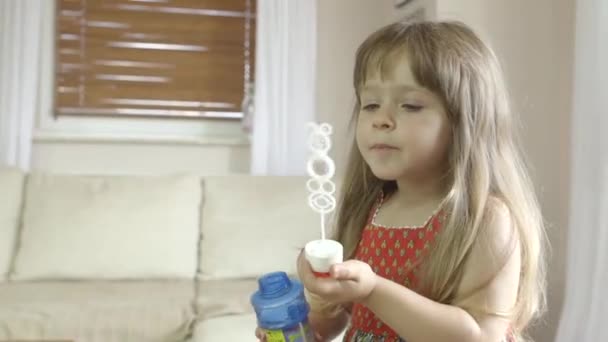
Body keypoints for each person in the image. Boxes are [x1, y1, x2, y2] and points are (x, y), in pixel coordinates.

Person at [256, 20, 546, 342]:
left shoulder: (485, 220)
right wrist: (304, 322)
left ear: (464, 121)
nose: (381, 119)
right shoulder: (370, 209)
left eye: (410, 105)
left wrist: (373, 290)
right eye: (370, 104)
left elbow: (479, 336)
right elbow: (337, 321)